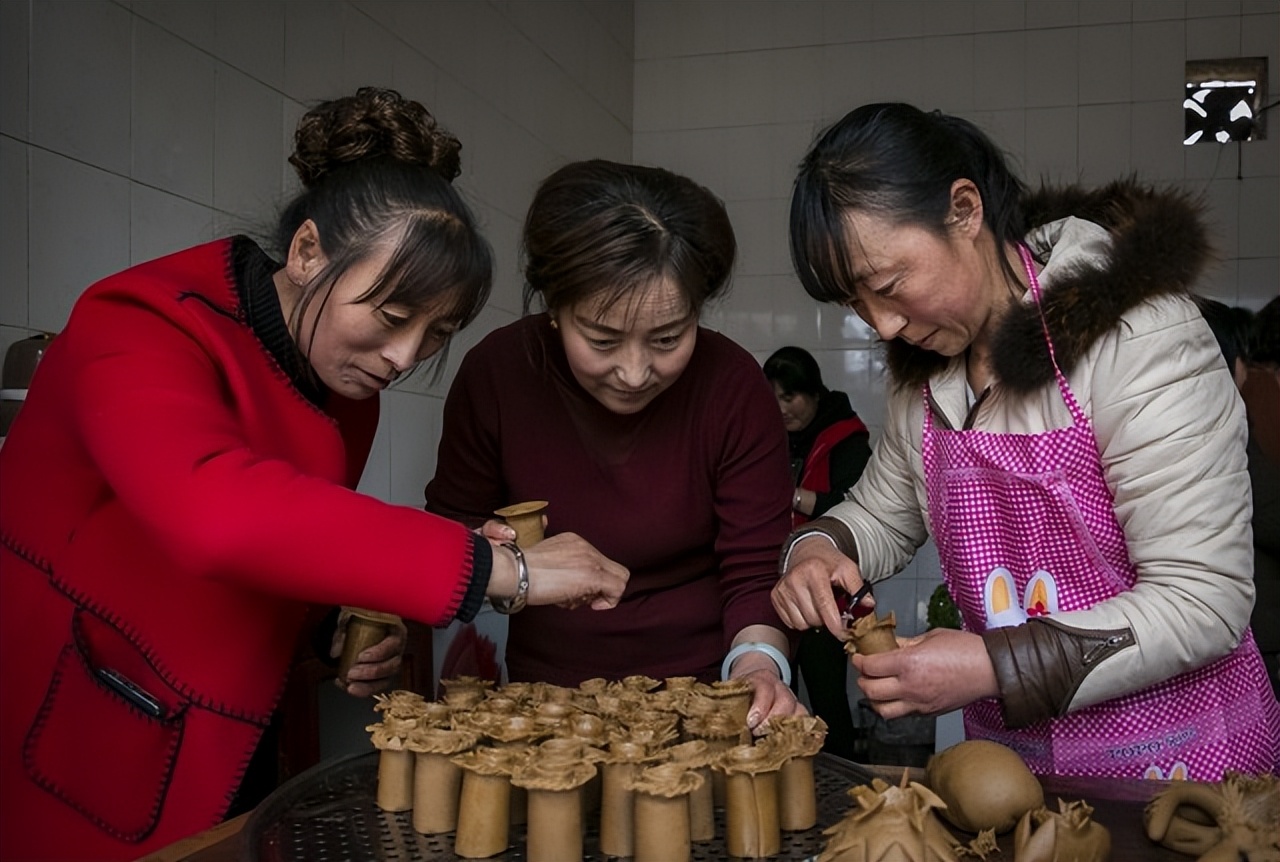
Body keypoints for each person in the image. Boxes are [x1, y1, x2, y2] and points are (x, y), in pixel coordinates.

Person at [0, 88, 627, 861]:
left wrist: (330, 626)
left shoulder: (341, 385)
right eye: (393, 317)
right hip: (85, 725)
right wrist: (499, 570)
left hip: (225, 731)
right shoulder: (139, 321)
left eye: (437, 332)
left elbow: (287, 543)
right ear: (306, 253)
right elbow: (216, 517)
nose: (405, 357)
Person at [771, 102, 1280, 780]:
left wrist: (991, 665)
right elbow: (879, 516)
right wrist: (817, 548)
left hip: (1181, 765)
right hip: (1016, 773)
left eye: (889, 286)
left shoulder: (1138, 336)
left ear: (964, 209)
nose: (884, 326)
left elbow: (1203, 599)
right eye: (856, 306)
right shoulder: (927, 378)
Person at [426, 159, 805, 733]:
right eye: (602, 340)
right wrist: (505, 566)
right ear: (554, 309)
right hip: (546, 702)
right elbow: (451, 533)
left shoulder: (732, 386)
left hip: (708, 699)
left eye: (668, 339)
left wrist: (757, 666)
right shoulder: (498, 374)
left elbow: (755, 570)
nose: (633, 372)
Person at [763, 346, 872, 758]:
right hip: (774, 582)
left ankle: (841, 775)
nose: (781, 408)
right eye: (773, 398)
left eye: (789, 397)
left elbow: (854, 508)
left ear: (813, 392)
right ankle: (779, 772)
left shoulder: (846, 437)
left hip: (828, 586)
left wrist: (791, 496)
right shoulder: (768, 436)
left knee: (827, 695)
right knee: (777, 691)